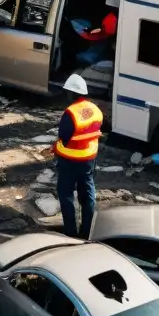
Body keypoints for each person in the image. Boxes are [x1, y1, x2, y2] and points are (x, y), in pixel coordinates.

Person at [53, 74, 102, 238]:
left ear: (71, 93)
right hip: (89, 160)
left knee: (66, 194)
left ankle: (71, 233)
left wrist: (55, 148)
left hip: (69, 161)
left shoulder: (70, 113)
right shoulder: (95, 110)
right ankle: (87, 231)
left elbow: (64, 138)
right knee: (87, 193)